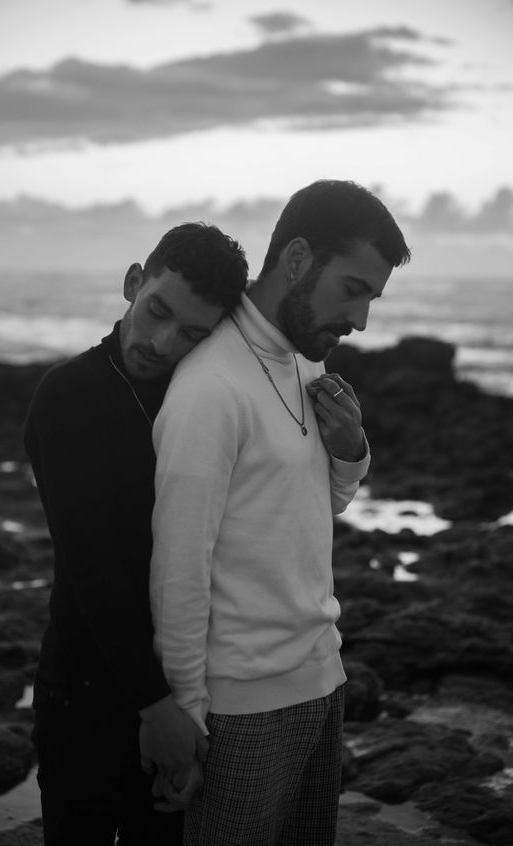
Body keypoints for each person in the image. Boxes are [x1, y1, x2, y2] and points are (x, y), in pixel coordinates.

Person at [149, 180, 411, 844]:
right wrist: (187, 713)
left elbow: (306, 513)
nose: (360, 321)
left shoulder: (299, 363)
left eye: (372, 299)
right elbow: (179, 568)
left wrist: (350, 452)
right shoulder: (211, 386)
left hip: (323, 679)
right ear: (297, 259)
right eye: (352, 290)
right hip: (242, 709)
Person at [24, 222, 249, 845]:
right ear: (132, 283)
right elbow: (93, 566)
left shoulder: (198, 397)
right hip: (85, 690)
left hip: (184, 691)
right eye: (157, 311)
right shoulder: (69, 395)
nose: (163, 341)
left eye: (192, 334)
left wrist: (188, 708)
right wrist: (157, 710)